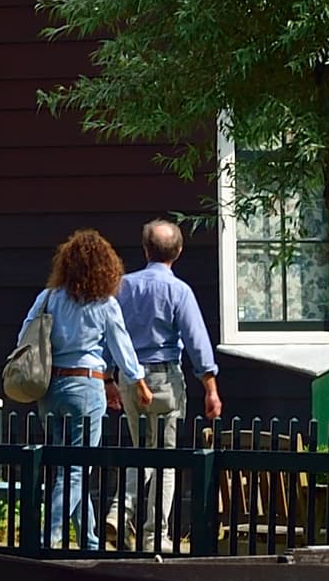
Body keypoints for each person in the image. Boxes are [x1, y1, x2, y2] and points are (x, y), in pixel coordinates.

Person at [24, 229, 148, 548]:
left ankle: (91, 540)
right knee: (77, 468)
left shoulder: (48, 297)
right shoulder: (104, 303)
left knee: (68, 466)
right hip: (86, 386)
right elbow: (122, 347)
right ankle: (49, 537)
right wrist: (138, 383)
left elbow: (25, 336)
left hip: (50, 389)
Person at [118, 219, 222, 536]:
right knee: (165, 457)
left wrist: (111, 377)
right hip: (164, 378)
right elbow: (197, 341)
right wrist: (211, 389)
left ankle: (120, 511)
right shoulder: (179, 291)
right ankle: (154, 533)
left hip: (129, 376)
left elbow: (113, 333)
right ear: (178, 251)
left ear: (145, 249)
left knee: (141, 449)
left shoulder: (123, 286)